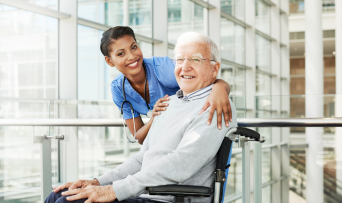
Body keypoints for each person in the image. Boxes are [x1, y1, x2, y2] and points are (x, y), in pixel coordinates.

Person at [45, 32, 238, 203]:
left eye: (195, 59)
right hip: (143, 193)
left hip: (167, 198)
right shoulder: (168, 103)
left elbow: (181, 163)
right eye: (179, 60)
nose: (185, 67)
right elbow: (141, 158)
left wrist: (114, 190)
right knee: (58, 195)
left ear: (214, 69)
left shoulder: (216, 106)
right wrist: (98, 182)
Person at [99, 26, 232, 144]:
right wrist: (155, 118)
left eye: (134, 47)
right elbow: (139, 137)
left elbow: (207, 78)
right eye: (121, 53)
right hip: (164, 140)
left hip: (193, 132)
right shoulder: (118, 88)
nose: (132, 56)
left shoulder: (163, 69)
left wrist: (220, 87)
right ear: (109, 61)